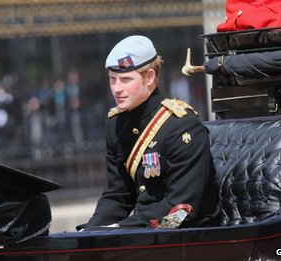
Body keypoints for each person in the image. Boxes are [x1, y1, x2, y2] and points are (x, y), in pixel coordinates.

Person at [76, 35, 219, 231]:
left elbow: (182, 211)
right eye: (112, 79)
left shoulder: (182, 126)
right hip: (144, 233)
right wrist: (91, 231)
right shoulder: (116, 125)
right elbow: (117, 196)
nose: (117, 89)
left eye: (126, 79)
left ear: (150, 77)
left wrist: (121, 229)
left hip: (189, 235)